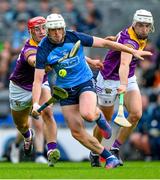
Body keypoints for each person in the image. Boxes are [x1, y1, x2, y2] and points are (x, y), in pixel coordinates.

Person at [31, 13, 152, 169]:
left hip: (84, 82)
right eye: (53, 30)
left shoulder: (74, 36)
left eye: (60, 29)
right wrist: (35, 103)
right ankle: (108, 157)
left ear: (64, 28)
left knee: (88, 114)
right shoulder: (43, 48)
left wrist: (131, 51)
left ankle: (99, 118)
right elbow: (38, 80)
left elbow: (104, 44)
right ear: (47, 31)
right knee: (76, 132)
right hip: (65, 91)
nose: (57, 33)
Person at [90, 9, 154, 166]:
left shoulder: (135, 34)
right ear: (134, 25)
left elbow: (120, 38)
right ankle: (94, 152)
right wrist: (123, 84)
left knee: (136, 114)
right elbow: (124, 64)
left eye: (147, 26)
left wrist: (114, 39)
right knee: (104, 121)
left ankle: (115, 150)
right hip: (108, 80)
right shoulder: (130, 41)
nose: (144, 29)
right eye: (141, 26)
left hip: (128, 77)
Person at [9, 16, 60, 167]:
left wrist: (91, 62)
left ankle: (50, 151)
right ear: (30, 31)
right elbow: (34, 61)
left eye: (44, 28)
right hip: (20, 89)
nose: (42, 32)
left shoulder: (52, 42)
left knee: (48, 113)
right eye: (37, 29)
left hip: (40, 82)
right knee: (23, 125)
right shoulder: (29, 48)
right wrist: (49, 63)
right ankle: (26, 136)